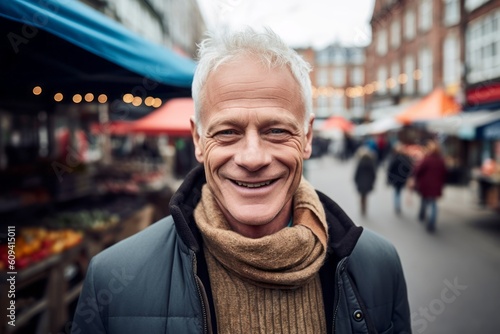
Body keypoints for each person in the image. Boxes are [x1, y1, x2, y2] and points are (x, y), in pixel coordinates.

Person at [72, 28, 411, 334]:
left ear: (307, 136)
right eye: (228, 132)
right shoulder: (114, 280)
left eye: (276, 131)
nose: (252, 158)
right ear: (198, 140)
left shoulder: (378, 267)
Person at [414, 140, 447, 232]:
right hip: (436, 185)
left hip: (426, 184)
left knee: (425, 200)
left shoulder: (426, 159)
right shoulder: (441, 160)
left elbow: (418, 171)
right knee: (433, 203)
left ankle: (423, 216)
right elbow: (445, 173)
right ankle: (431, 221)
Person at [387, 143, 413, 215]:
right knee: (398, 192)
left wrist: (389, 179)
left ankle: (397, 206)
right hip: (402, 179)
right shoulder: (405, 159)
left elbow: (390, 169)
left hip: (396, 179)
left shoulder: (395, 158)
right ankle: (398, 206)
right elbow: (409, 169)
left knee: (396, 192)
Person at [354, 146, 377, 216]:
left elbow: (357, 173)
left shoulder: (360, 162)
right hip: (368, 182)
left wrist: (356, 180)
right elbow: (373, 174)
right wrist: (372, 181)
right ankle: (364, 207)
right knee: (365, 196)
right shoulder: (371, 162)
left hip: (361, 182)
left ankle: (362, 207)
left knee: (362, 196)